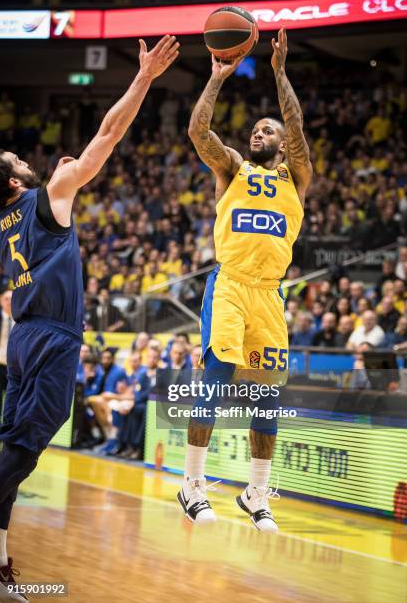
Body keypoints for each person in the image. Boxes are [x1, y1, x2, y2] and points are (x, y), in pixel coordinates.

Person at [0, 34, 179, 596]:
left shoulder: (1, 223)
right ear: (14, 182)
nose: (29, 161)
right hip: (50, 336)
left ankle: (0, 557)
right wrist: (144, 77)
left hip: (22, 336)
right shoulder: (48, 193)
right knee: (27, 446)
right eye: (19, 162)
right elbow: (109, 133)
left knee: (14, 448)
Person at [179, 29, 312, 532]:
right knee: (215, 381)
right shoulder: (232, 168)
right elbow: (198, 132)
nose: (259, 133)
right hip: (231, 285)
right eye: (255, 129)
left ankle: (257, 492)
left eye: (267, 131)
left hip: (269, 295)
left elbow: (297, 129)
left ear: (282, 146)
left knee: (267, 396)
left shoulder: (295, 176)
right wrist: (215, 79)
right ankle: (192, 483)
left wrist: (279, 72)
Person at [0, 290, 13, 422]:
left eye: (11, 299)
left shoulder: (21, 321)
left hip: (14, 367)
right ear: (0, 301)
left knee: (12, 402)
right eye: (6, 299)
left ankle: (8, 432)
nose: (9, 302)